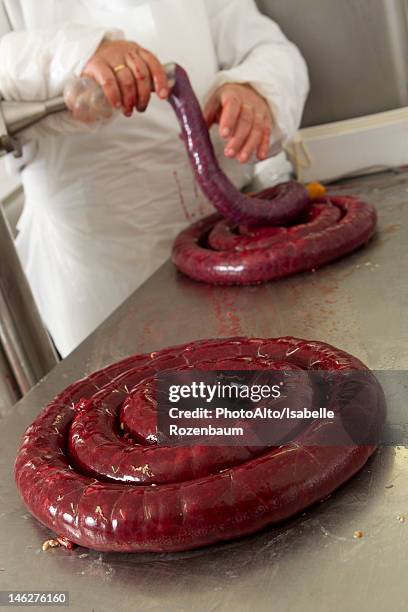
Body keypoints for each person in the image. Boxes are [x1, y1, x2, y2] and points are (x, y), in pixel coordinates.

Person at [0, 0, 309, 357]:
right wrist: (76, 53)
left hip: (220, 238)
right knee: (134, 397)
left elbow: (268, 48)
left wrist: (255, 88)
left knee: (243, 386)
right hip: (98, 267)